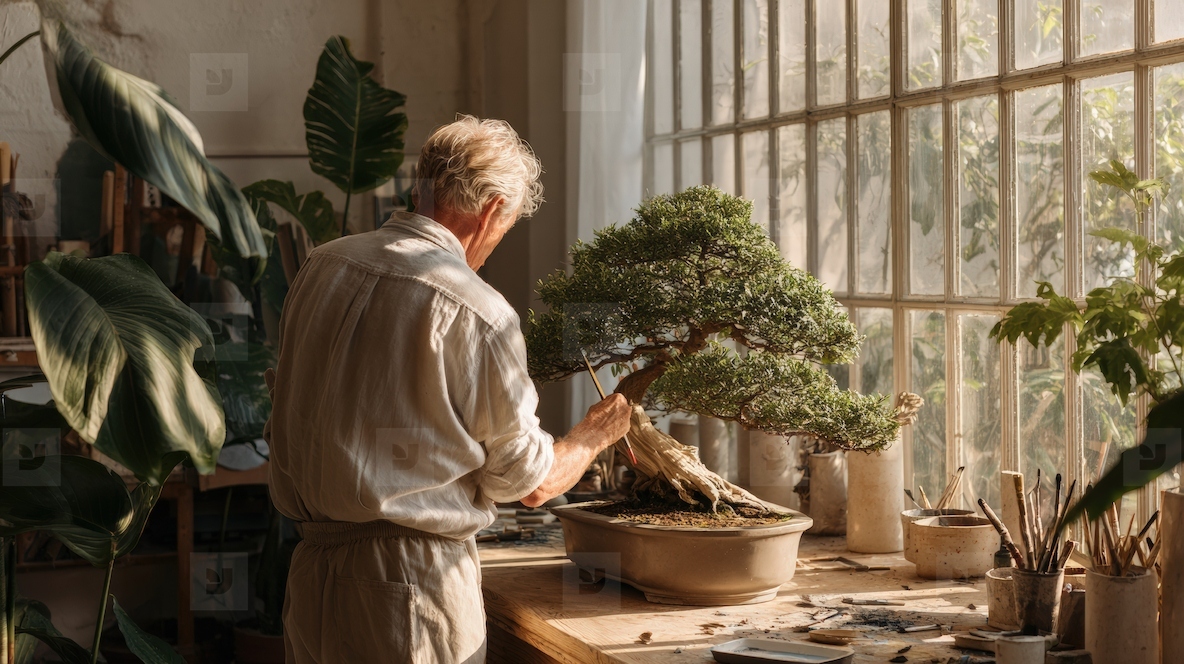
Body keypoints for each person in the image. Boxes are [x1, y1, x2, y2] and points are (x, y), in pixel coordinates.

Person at [265, 115, 632, 663]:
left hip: (313, 577)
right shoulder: (477, 308)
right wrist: (593, 436)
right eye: (506, 226)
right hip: (410, 587)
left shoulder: (322, 266)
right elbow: (527, 484)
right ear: (490, 211)